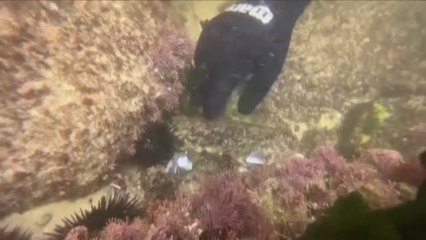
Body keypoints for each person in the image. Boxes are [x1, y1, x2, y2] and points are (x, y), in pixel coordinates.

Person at [192, 0, 312, 120]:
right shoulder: (283, 21)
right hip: (231, 50)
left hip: (216, 31)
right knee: (211, 113)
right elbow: (269, 71)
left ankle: (201, 95)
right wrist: (247, 105)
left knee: (204, 89)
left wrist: (199, 63)